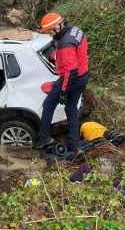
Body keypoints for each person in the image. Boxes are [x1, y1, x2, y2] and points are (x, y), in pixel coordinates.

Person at [34, 12, 89, 151]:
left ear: (58, 26)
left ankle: (44, 137)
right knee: (71, 108)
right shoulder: (75, 30)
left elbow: (71, 71)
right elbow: (77, 53)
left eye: (50, 31)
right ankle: (75, 143)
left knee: (48, 105)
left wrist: (64, 91)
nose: (50, 35)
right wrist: (57, 55)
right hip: (83, 77)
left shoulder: (65, 44)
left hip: (72, 79)